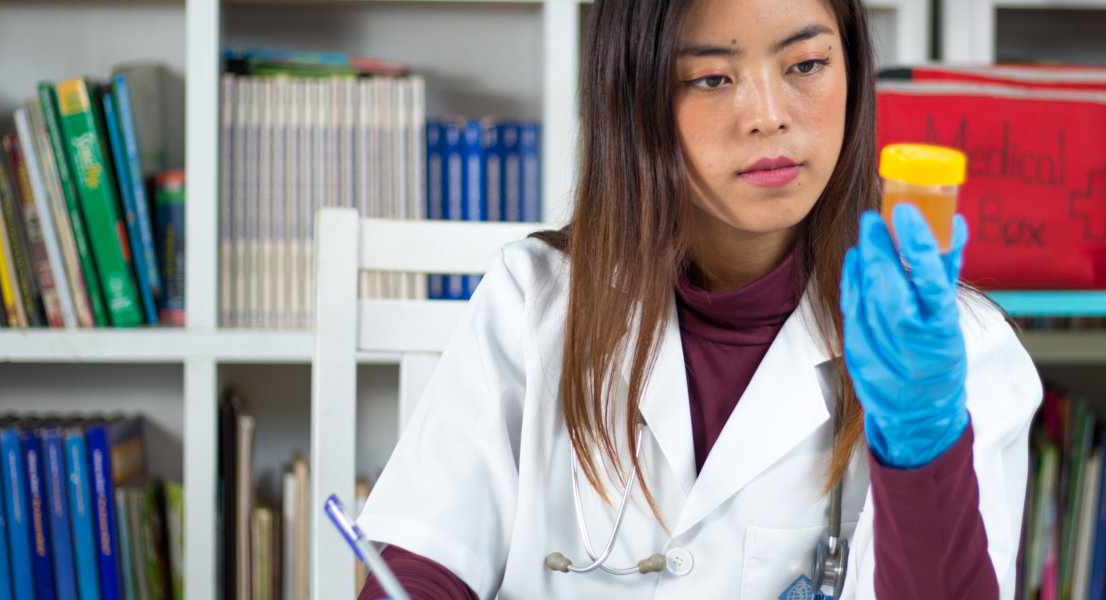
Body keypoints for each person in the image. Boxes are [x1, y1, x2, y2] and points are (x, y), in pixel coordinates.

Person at [354, 0, 1041, 596]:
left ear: (853, 73)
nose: (768, 116)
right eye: (711, 78)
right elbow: (421, 567)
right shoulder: (531, 303)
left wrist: (923, 451)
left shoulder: (952, 352)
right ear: (636, 101)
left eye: (806, 65)